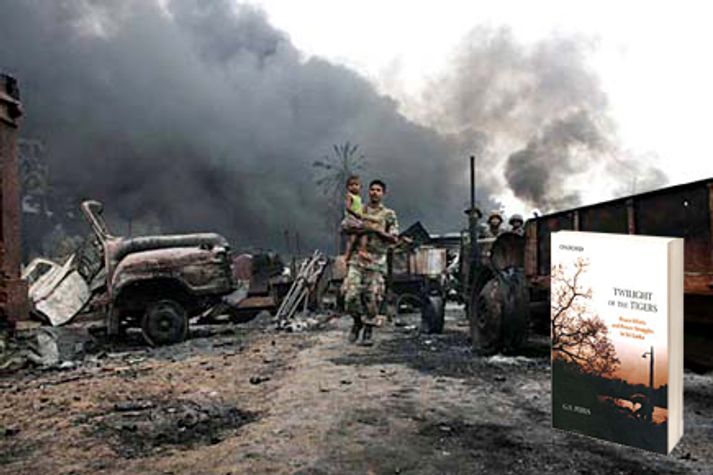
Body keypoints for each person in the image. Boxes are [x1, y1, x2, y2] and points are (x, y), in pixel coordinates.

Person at [343, 179, 399, 345]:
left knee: (372, 299)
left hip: (376, 261)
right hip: (358, 259)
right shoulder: (360, 209)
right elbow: (345, 227)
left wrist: (376, 230)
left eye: (378, 190)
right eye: (372, 189)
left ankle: (368, 330)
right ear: (368, 192)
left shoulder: (389, 214)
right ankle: (357, 321)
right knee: (350, 296)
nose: (374, 192)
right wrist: (363, 229)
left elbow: (394, 237)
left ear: (383, 193)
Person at [341, 175, 379, 262]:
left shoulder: (359, 198)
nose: (354, 187)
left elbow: (359, 208)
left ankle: (362, 251)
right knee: (354, 236)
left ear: (360, 187)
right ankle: (347, 254)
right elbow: (348, 207)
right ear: (348, 187)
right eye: (351, 185)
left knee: (361, 234)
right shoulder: (349, 196)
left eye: (356, 185)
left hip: (357, 219)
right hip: (351, 219)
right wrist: (355, 214)